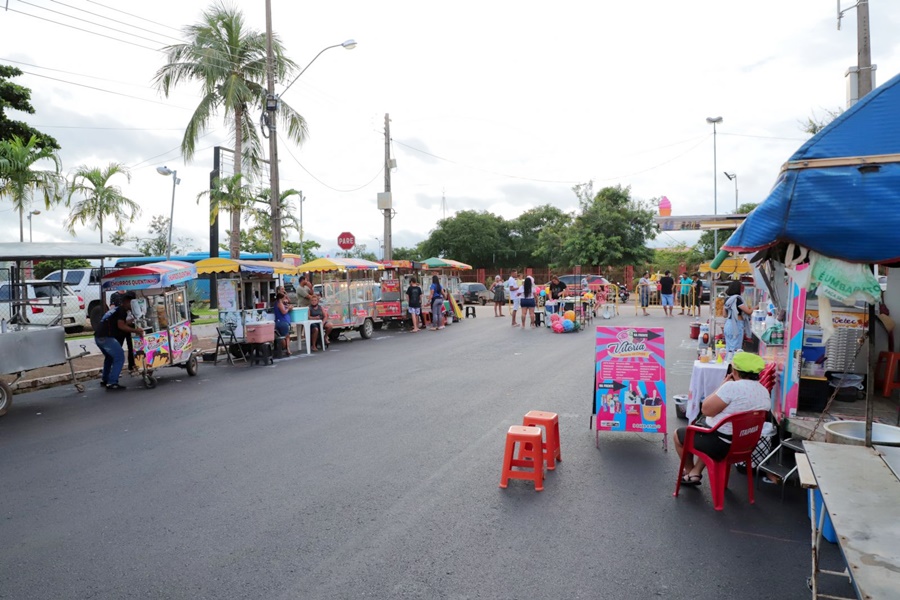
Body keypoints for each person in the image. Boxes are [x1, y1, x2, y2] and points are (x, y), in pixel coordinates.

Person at [674, 352, 771, 486]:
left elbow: (706, 410)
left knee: (679, 435)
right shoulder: (764, 391)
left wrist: (722, 385)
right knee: (706, 429)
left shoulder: (731, 387)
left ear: (735, 371)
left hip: (721, 445)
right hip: (746, 445)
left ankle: (690, 472)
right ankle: (695, 472)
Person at [94, 290, 144, 391]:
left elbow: (120, 322)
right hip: (106, 337)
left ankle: (105, 379)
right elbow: (120, 325)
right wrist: (136, 330)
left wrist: (130, 321)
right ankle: (112, 382)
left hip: (98, 336)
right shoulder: (121, 311)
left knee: (109, 357)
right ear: (126, 302)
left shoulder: (117, 310)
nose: (133, 305)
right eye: (132, 302)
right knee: (119, 356)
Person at [724, 280, 752, 352]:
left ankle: (728, 362)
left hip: (728, 324)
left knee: (729, 348)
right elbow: (748, 312)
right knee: (736, 348)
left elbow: (724, 315)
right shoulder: (737, 299)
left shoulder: (727, 299)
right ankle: (732, 363)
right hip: (736, 325)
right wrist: (757, 307)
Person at [273, 291, 292, 356]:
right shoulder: (280, 304)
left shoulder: (277, 303)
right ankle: (288, 349)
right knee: (287, 336)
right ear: (281, 298)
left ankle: (285, 348)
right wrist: (288, 309)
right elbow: (283, 312)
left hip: (278, 321)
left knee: (282, 336)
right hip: (282, 322)